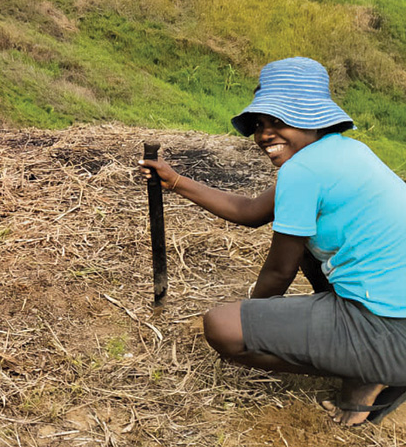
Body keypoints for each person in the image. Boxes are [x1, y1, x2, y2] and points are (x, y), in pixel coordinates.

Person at [140, 57, 406, 426]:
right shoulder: (346, 152)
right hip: (395, 310)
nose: (265, 134)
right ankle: (369, 358)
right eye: (261, 123)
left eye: (280, 120)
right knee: (312, 254)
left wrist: (257, 322)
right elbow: (251, 211)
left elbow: (279, 271)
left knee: (223, 327)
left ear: (317, 119)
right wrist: (176, 182)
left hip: (391, 327)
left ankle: (371, 369)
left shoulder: (303, 170)